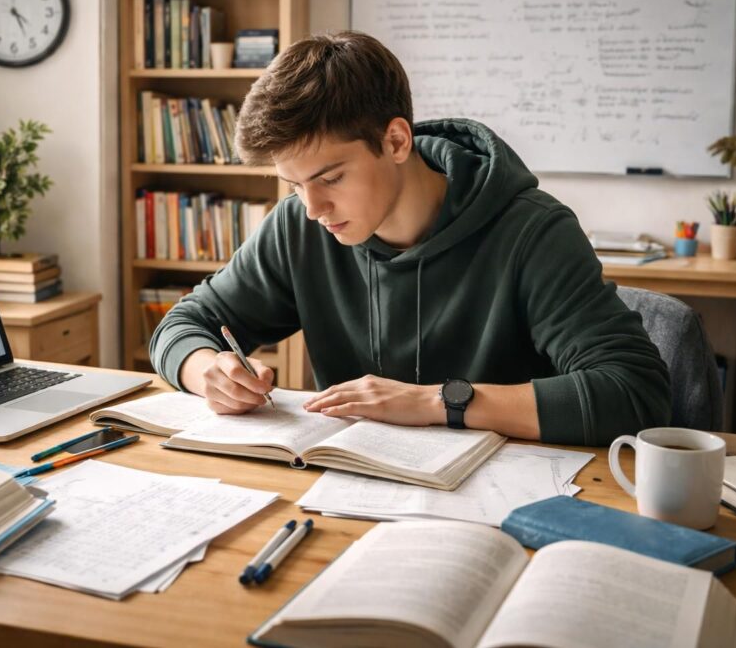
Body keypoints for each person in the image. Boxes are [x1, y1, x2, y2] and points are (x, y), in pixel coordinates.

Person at [149, 30, 671, 446]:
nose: (313, 208)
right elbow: (183, 324)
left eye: (331, 178)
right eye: (295, 185)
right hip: (348, 493)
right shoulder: (298, 226)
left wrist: (437, 402)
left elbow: (634, 392)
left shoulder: (531, 231)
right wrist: (206, 371)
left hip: (511, 499)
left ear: (396, 140)